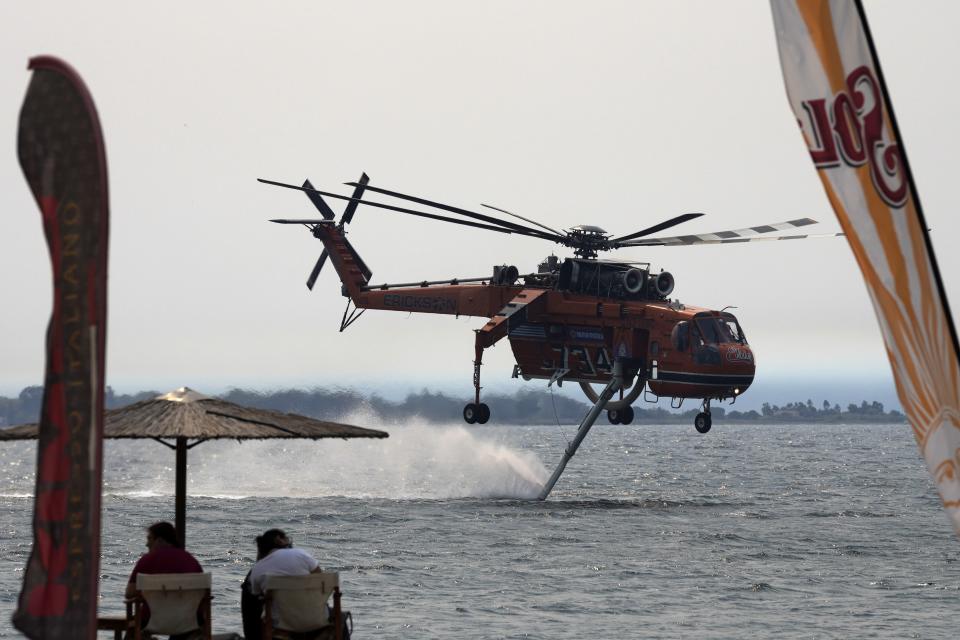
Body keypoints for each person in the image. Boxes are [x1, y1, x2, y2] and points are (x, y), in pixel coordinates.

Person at [241, 528, 324, 638]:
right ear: (279, 539)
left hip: (279, 625)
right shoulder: (300, 554)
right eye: (287, 538)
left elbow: (255, 597)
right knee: (339, 616)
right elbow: (322, 580)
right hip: (314, 620)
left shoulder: (257, 568)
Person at [126, 522, 203, 635]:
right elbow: (203, 594)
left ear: (160, 540)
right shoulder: (191, 561)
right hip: (189, 622)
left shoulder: (147, 560)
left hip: (150, 620)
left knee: (133, 630)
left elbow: (129, 593)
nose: (147, 544)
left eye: (150, 539)